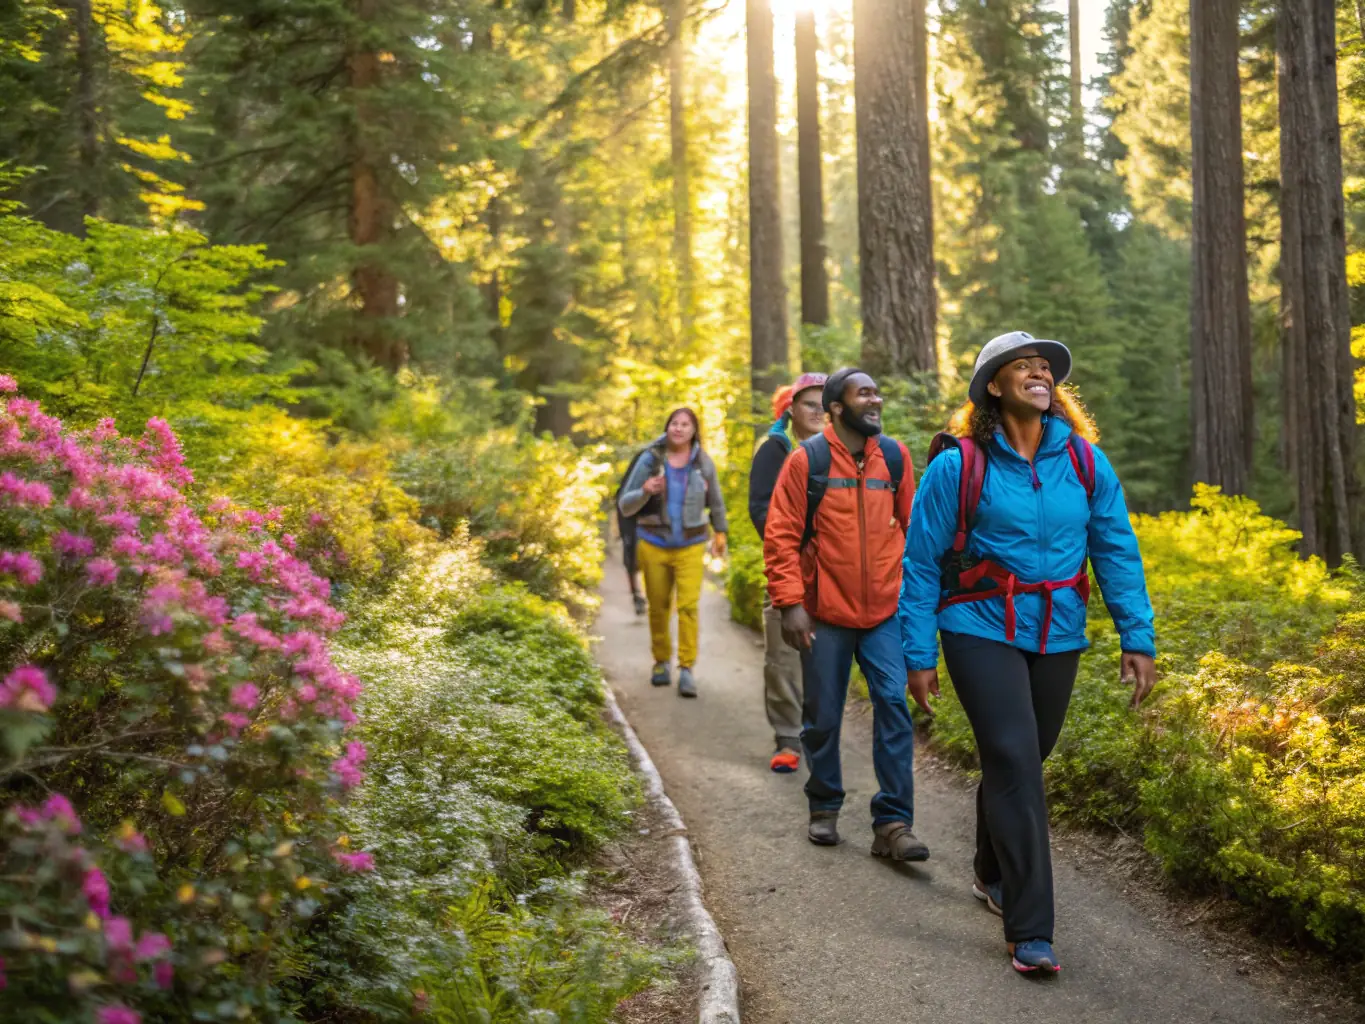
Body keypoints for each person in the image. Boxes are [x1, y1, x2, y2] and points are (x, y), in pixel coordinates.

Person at [899, 331, 1157, 976]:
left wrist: (1137, 634)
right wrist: (917, 652)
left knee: (1020, 758)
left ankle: (990, 868)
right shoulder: (959, 465)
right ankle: (1030, 927)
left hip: (1059, 630)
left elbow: (1116, 549)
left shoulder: (1085, 463)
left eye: (1046, 369)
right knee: (1017, 761)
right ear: (994, 385)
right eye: (1024, 367)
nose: (1040, 375)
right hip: (978, 624)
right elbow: (922, 562)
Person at [763, 368, 927, 859]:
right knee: (822, 718)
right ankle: (825, 804)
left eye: (877, 391)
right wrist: (791, 605)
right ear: (837, 407)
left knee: (894, 710)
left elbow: (912, 528)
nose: (875, 399)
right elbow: (781, 536)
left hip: (884, 612)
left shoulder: (894, 457)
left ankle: (894, 823)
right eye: (864, 393)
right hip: (825, 614)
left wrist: (916, 600)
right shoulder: (806, 461)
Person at [617, 408, 728, 698]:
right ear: (667, 428)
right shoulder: (650, 460)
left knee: (689, 606)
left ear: (694, 431)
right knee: (658, 606)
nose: (678, 429)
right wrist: (645, 490)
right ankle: (661, 662)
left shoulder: (703, 463)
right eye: (674, 424)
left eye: (685, 424)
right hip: (653, 542)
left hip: (691, 545)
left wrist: (720, 532)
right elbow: (625, 505)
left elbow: (715, 501)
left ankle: (687, 668)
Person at [748, 372, 827, 773]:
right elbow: (761, 509)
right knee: (783, 655)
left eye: (825, 404)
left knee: (824, 656)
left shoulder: (844, 451)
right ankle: (787, 738)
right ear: (791, 408)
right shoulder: (776, 448)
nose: (819, 411)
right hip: (789, 568)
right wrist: (794, 546)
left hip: (833, 573)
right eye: (810, 404)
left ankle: (818, 733)